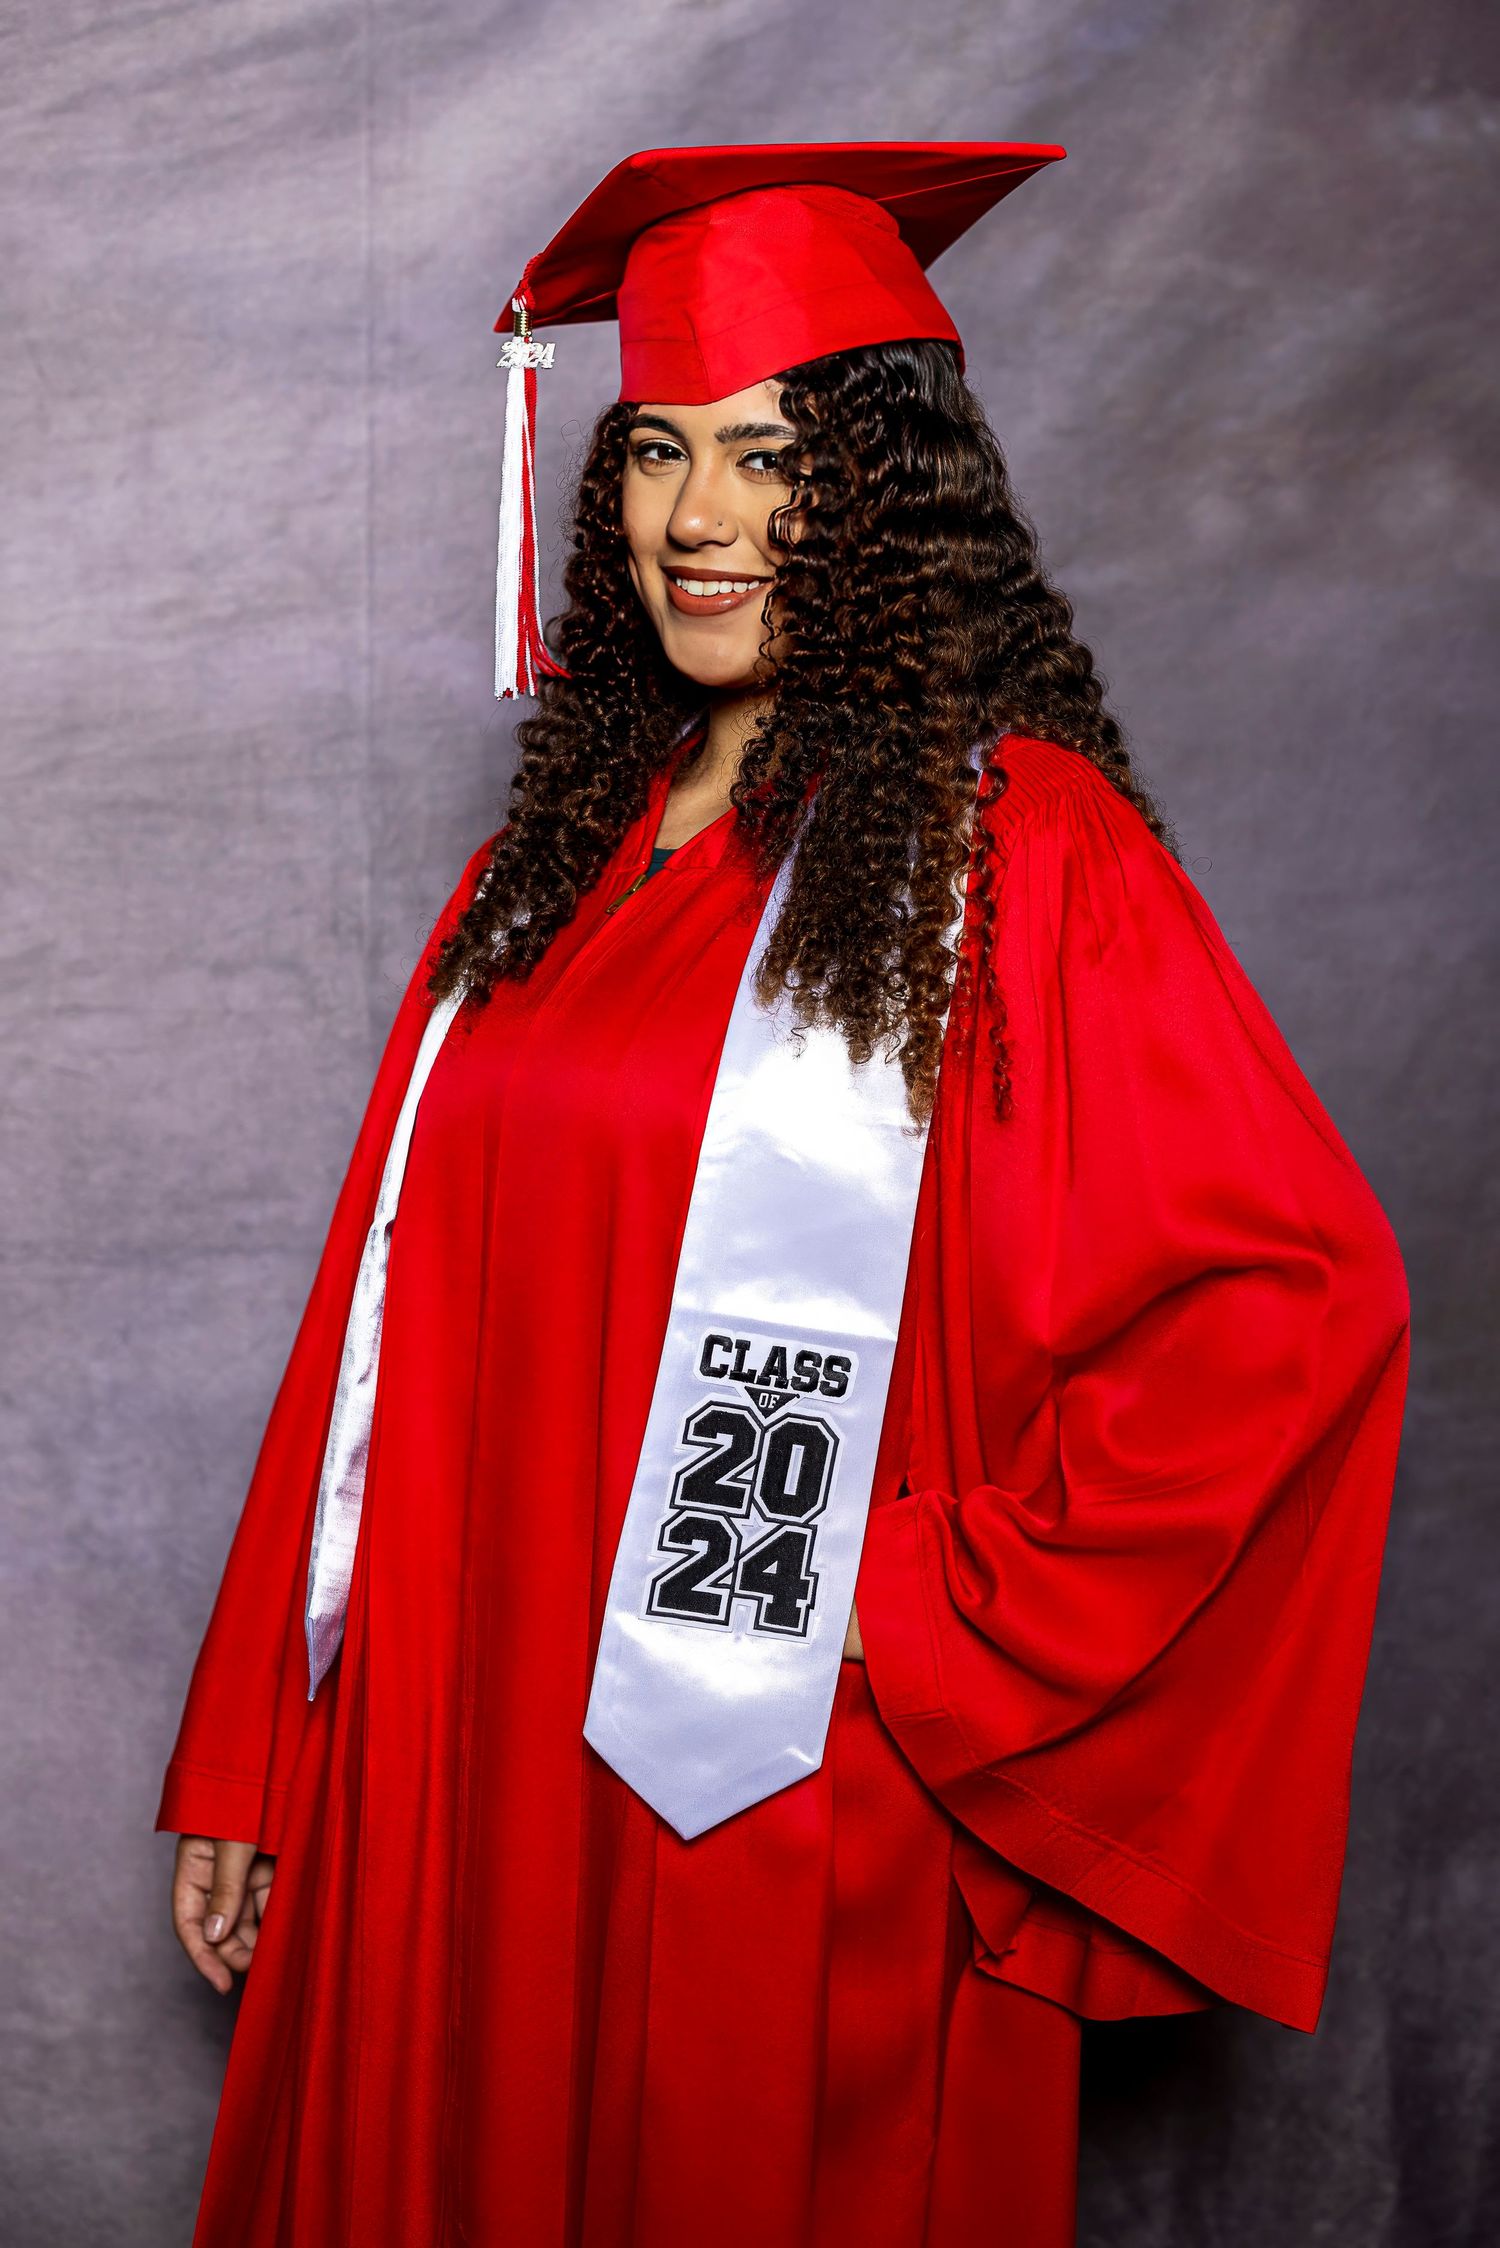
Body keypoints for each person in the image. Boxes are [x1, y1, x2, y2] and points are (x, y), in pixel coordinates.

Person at [157, 143, 1411, 2248]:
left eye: (769, 455)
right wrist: (262, 1747)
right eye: (658, 451)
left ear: (888, 489)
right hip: (456, 1751)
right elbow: (375, 1327)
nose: (699, 519)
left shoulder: (1008, 854)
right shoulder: (544, 872)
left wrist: (915, 1612)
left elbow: (1288, 1302)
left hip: (753, 1769)